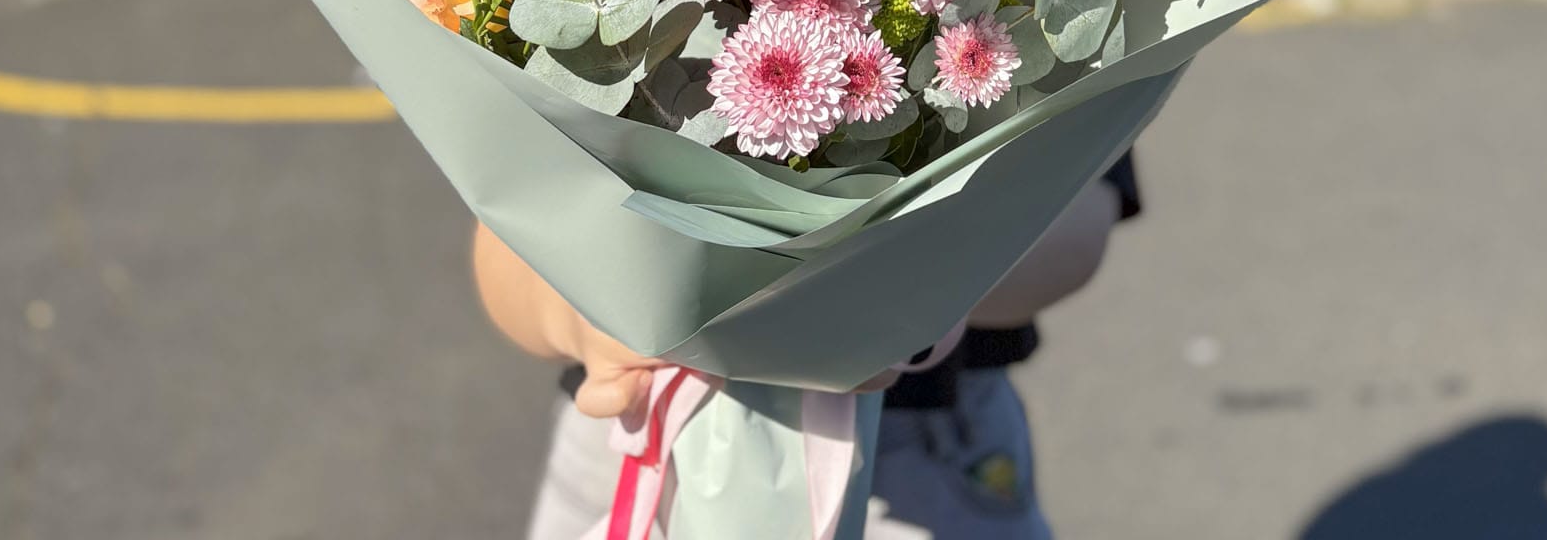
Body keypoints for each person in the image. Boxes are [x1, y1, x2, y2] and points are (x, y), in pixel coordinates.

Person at [474, 156, 1140, 540]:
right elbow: (506, 235)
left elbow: (1082, 216)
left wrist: (927, 277)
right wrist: (586, 317)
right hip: (640, 436)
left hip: (918, 447)